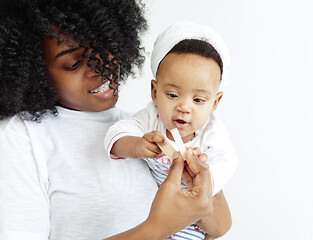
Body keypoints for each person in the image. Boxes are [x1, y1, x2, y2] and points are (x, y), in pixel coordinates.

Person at [0, 1, 231, 239]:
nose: (99, 67)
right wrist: (157, 228)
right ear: (35, 71)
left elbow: (220, 226)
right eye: (74, 64)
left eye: (104, 47)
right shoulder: (24, 137)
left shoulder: (143, 129)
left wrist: (197, 179)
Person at [105, 21, 238, 239]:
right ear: (154, 92)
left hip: (192, 221)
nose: (184, 107)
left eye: (198, 99)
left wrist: (207, 179)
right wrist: (137, 145)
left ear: (215, 103)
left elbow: (227, 160)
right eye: (173, 95)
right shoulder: (151, 118)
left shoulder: (212, 132)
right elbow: (118, 132)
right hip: (155, 219)